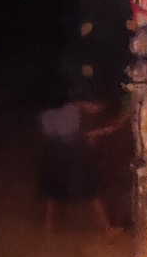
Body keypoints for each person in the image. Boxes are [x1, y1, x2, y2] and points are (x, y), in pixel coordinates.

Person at [35, 87, 117, 232]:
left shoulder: (46, 115)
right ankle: (107, 229)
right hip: (73, 153)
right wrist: (102, 131)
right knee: (91, 189)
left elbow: (53, 134)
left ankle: (47, 225)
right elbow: (78, 135)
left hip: (54, 152)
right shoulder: (71, 111)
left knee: (53, 189)